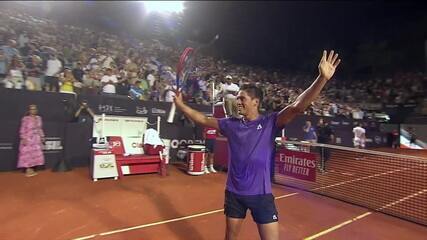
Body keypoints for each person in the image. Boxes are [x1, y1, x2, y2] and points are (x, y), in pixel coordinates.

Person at [173, 50, 340, 240]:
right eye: (237, 98)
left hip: (261, 195)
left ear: (256, 102)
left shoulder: (271, 122)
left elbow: (297, 106)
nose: (238, 101)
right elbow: (202, 118)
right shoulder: (230, 124)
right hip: (234, 194)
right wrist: (181, 106)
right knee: (230, 237)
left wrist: (321, 79)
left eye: (242, 98)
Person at [17, 104, 45, 177]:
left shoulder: (39, 118)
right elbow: (22, 129)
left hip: (36, 139)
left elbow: (40, 128)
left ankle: (31, 169)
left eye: (35, 109)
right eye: (32, 109)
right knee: (27, 154)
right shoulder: (25, 119)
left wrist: (42, 137)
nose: (34, 110)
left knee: (34, 154)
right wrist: (23, 138)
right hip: (28, 138)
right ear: (29, 110)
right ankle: (28, 170)